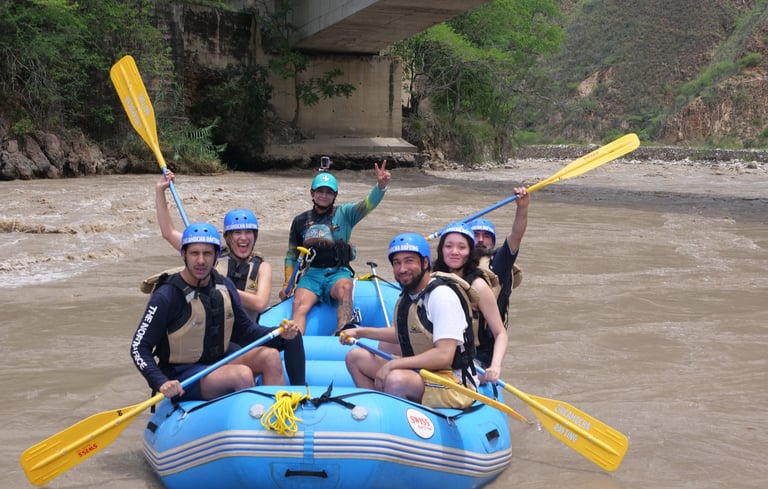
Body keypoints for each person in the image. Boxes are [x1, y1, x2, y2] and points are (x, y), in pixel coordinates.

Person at [130, 222, 302, 401]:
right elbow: (138, 347)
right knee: (242, 375)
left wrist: (281, 334)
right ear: (183, 255)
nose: (201, 261)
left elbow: (246, 331)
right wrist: (160, 382)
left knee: (271, 357)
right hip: (183, 373)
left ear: (216, 257)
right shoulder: (167, 295)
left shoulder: (223, 285)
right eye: (194, 253)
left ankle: (275, 416)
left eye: (207, 253)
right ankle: (250, 418)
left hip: (218, 361)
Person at [341, 233, 478, 409]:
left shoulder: (441, 296)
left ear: (425, 263)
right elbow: (402, 333)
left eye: (409, 261)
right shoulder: (407, 296)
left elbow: (444, 356)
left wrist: (394, 364)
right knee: (355, 357)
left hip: (454, 381)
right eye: (397, 263)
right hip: (423, 372)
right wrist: (360, 332)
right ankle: (377, 411)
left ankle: (396, 422)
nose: (402, 269)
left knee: (396, 379)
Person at [280, 159, 392, 336]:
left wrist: (380, 186)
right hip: (312, 274)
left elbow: (368, 204)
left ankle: (343, 331)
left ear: (335, 195)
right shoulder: (300, 221)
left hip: (338, 272)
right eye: (320, 191)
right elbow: (292, 255)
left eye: (328, 192)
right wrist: (288, 283)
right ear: (312, 193)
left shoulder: (346, 213)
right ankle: (296, 342)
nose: (324, 195)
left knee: (346, 288)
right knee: (298, 304)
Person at [155, 172, 272, 320]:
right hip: (213, 331)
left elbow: (260, 303)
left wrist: (220, 287)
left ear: (254, 236)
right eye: (237, 232)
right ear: (228, 237)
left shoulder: (263, 267)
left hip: (245, 334)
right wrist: (160, 191)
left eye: (248, 232)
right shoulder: (210, 254)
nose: (243, 237)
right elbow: (168, 233)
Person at [432, 222, 508, 384]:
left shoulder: (478, 285)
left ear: (470, 252)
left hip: (473, 360)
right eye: (449, 246)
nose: (454, 252)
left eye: (462, 247)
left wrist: (495, 366)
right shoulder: (432, 279)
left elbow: (500, 333)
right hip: (437, 353)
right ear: (441, 249)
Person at [468, 186, 529, 374]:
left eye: (486, 236)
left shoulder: (499, 264)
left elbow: (516, 235)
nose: (480, 240)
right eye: (475, 235)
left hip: (482, 350)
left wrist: (522, 208)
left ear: (492, 243)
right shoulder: (453, 263)